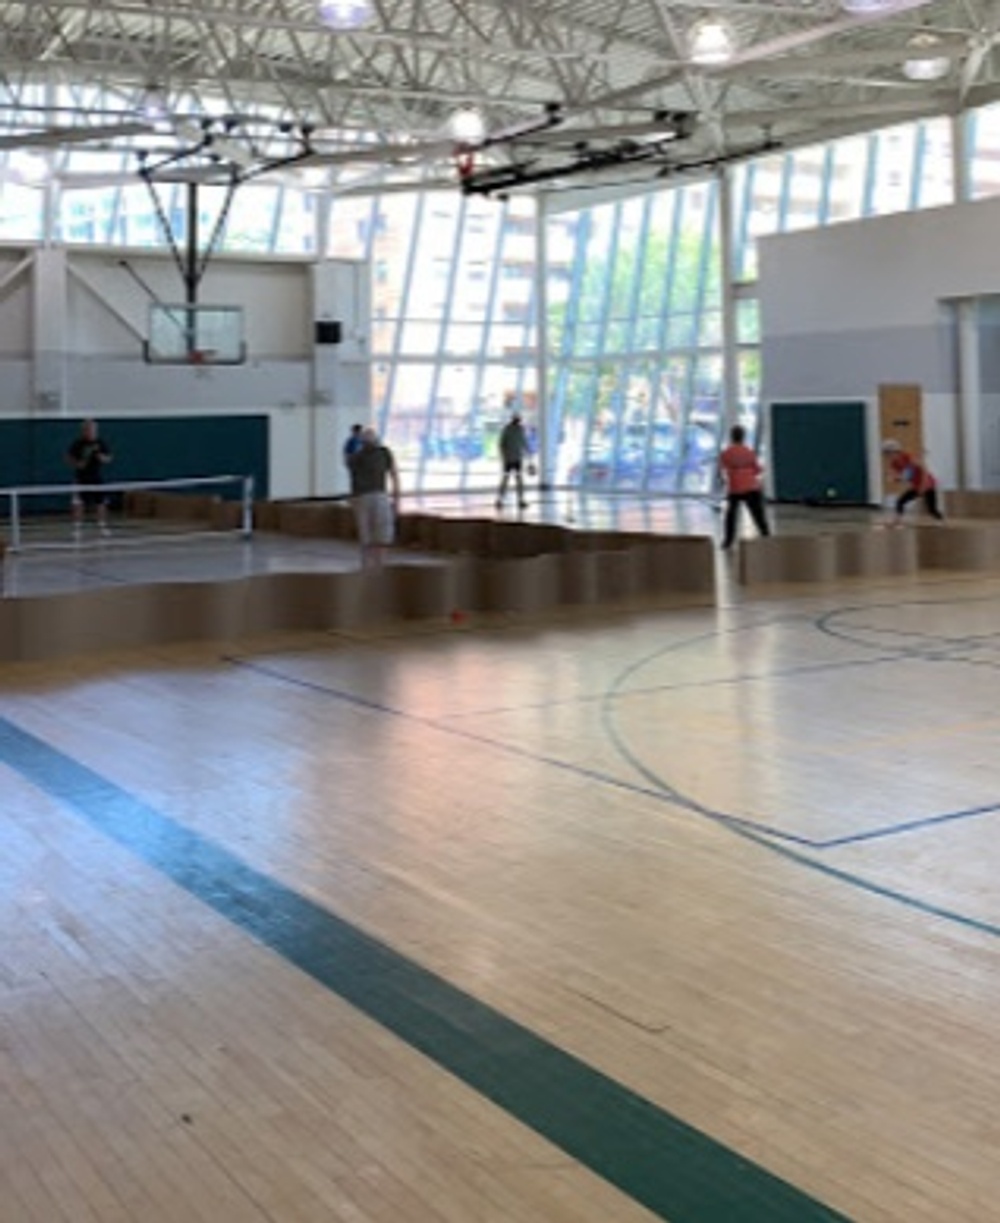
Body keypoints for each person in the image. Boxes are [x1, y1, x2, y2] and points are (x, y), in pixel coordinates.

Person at [347, 426, 400, 569]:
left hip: (366, 496)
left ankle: (370, 563)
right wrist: (396, 496)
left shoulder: (358, 457)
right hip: (373, 495)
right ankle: (376, 563)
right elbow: (393, 474)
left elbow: (352, 475)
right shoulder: (380, 453)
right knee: (377, 531)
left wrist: (396, 495)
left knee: (369, 532)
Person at [719, 424, 770, 550]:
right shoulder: (749, 452)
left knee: (731, 516)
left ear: (731, 437)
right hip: (751, 486)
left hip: (735, 487)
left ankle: (728, 541)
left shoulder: (726, 453)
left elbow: (723, 468)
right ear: (743, 437)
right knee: (758, 514)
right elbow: (757, 469)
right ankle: (766, 536)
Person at [66, 418, 113, 536]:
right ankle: (77, 528)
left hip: (96, 476)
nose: (90, 432)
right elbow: (68, 458)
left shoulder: (100, 443)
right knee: (78, 502)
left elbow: (108, 458)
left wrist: (101, 457)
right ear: (83, 431)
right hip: (81, 477)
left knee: (101, 502)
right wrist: (77, 464)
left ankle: (102, 525)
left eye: (92, 430)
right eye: (87, 429)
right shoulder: (77, 443)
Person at [882, 439, 944, 522]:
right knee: (900, 501)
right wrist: (896, 478)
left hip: (928, 484)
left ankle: (942, 521)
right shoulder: (894, 464)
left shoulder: (908, 457)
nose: (889, 457)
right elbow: (902, 477)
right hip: (916, 486)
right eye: (886, 455)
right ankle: (897, 519)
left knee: (932, 509)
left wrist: (922, 486)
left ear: (896, 452)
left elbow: (923, 470)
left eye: (889, 453)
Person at [495, 413, 532, 511]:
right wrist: (528, 454)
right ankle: (502, 500)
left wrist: (528, 454)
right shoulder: (510, 429)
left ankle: (517, 500)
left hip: (514, 459)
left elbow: (523, 443)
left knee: (514, 479)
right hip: (512, 459)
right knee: (511, 479)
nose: (518, 421)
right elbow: (502, 444)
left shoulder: (516, 429)